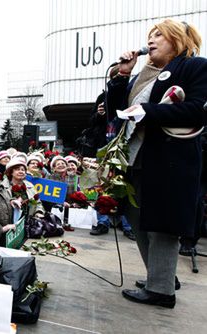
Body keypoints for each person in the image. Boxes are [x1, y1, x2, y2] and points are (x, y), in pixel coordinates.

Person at [106, 19, 207, 308]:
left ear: (177, 40)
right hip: (137, 158)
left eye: (159, 35)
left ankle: (161, 290)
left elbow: (196, 112)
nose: (151, 41)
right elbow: (118, 111)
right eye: (150, 36)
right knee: (136, 216)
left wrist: (147, 111)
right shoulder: (145, 73)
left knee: (163, 222)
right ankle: (160, 275)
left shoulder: (195, 66)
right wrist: (122, 77)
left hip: (169, 160)